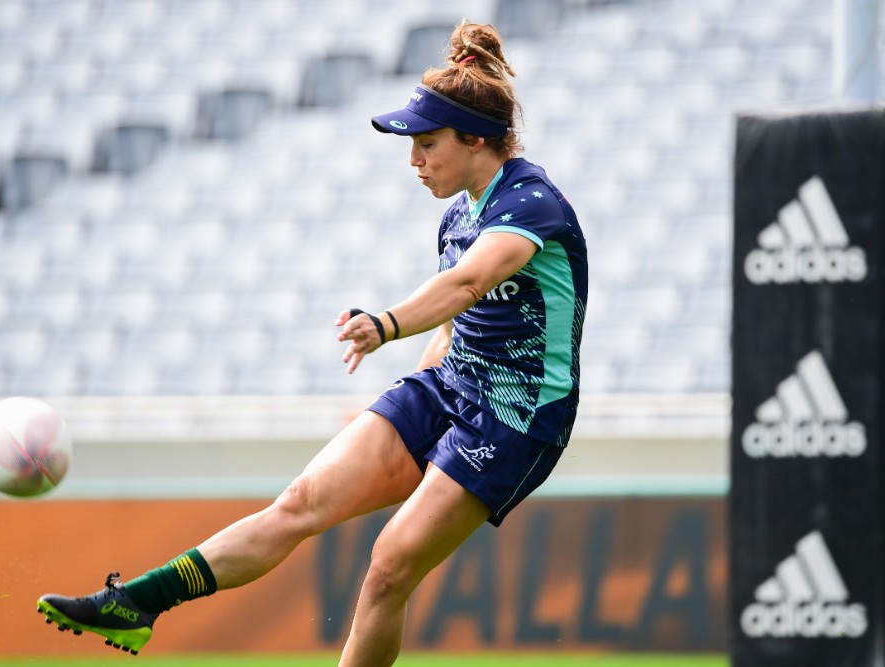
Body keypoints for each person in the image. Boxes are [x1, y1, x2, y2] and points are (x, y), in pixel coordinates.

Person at [37, 19, 587, 666]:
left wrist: (383, 323)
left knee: (386, 569)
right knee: (298, 502)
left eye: (427, 143)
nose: (413, 159)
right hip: (448, 388)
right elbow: (453, 325)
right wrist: (413, 410)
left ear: (476, 139)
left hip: (516, 415)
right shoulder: (459, 212)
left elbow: (469, 284)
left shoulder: (531, 202)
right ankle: (138, 603)